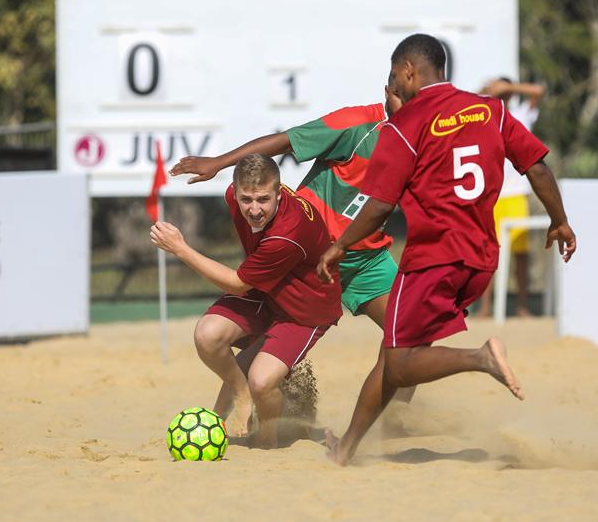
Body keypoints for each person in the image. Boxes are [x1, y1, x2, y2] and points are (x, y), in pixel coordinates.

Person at [317, 33, 577, 466]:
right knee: (396, 354)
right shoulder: (491, 110)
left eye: (394, 76)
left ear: (408, 71)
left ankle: (481, 358)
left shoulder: (406, 125)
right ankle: (345, 450)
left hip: (432, 259)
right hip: (480, 261)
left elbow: (379, 206)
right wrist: (560, 220)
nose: (393, 86)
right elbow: (537, 166)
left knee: (400, 365)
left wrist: (340, 245)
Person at [170, 81, 417, 404]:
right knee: (259, 355)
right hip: (307, 256)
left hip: (365, 259)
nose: (408, 105)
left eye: (417, 98)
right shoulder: (358, 124)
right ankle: (232, 414)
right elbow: (286, 141)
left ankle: (394, 420)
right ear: (386, 91)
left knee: (411, 334)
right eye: (400, 95)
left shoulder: (425, 142)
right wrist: (219, 162)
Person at [150, 153, 342, 448]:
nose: (254, 209)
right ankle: (235, 402)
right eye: (246, 199)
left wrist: (180, 249)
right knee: (207, 335)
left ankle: (268, 441)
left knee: (261, 381)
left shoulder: (286, 234)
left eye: (263, 200)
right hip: (267, 291)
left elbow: (238, 284)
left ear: (279, 193)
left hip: (305, 309)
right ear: (236, 192)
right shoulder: (232, 195)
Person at [477, 77, 547, 317]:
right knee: (488, 254)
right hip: (492, 195)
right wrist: (486, 89)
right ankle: (485, 307)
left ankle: (522, 306)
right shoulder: (484, 116)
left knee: (520, 255)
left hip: (516, 195)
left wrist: (509, 87)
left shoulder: (520, 114)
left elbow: (538, 90)